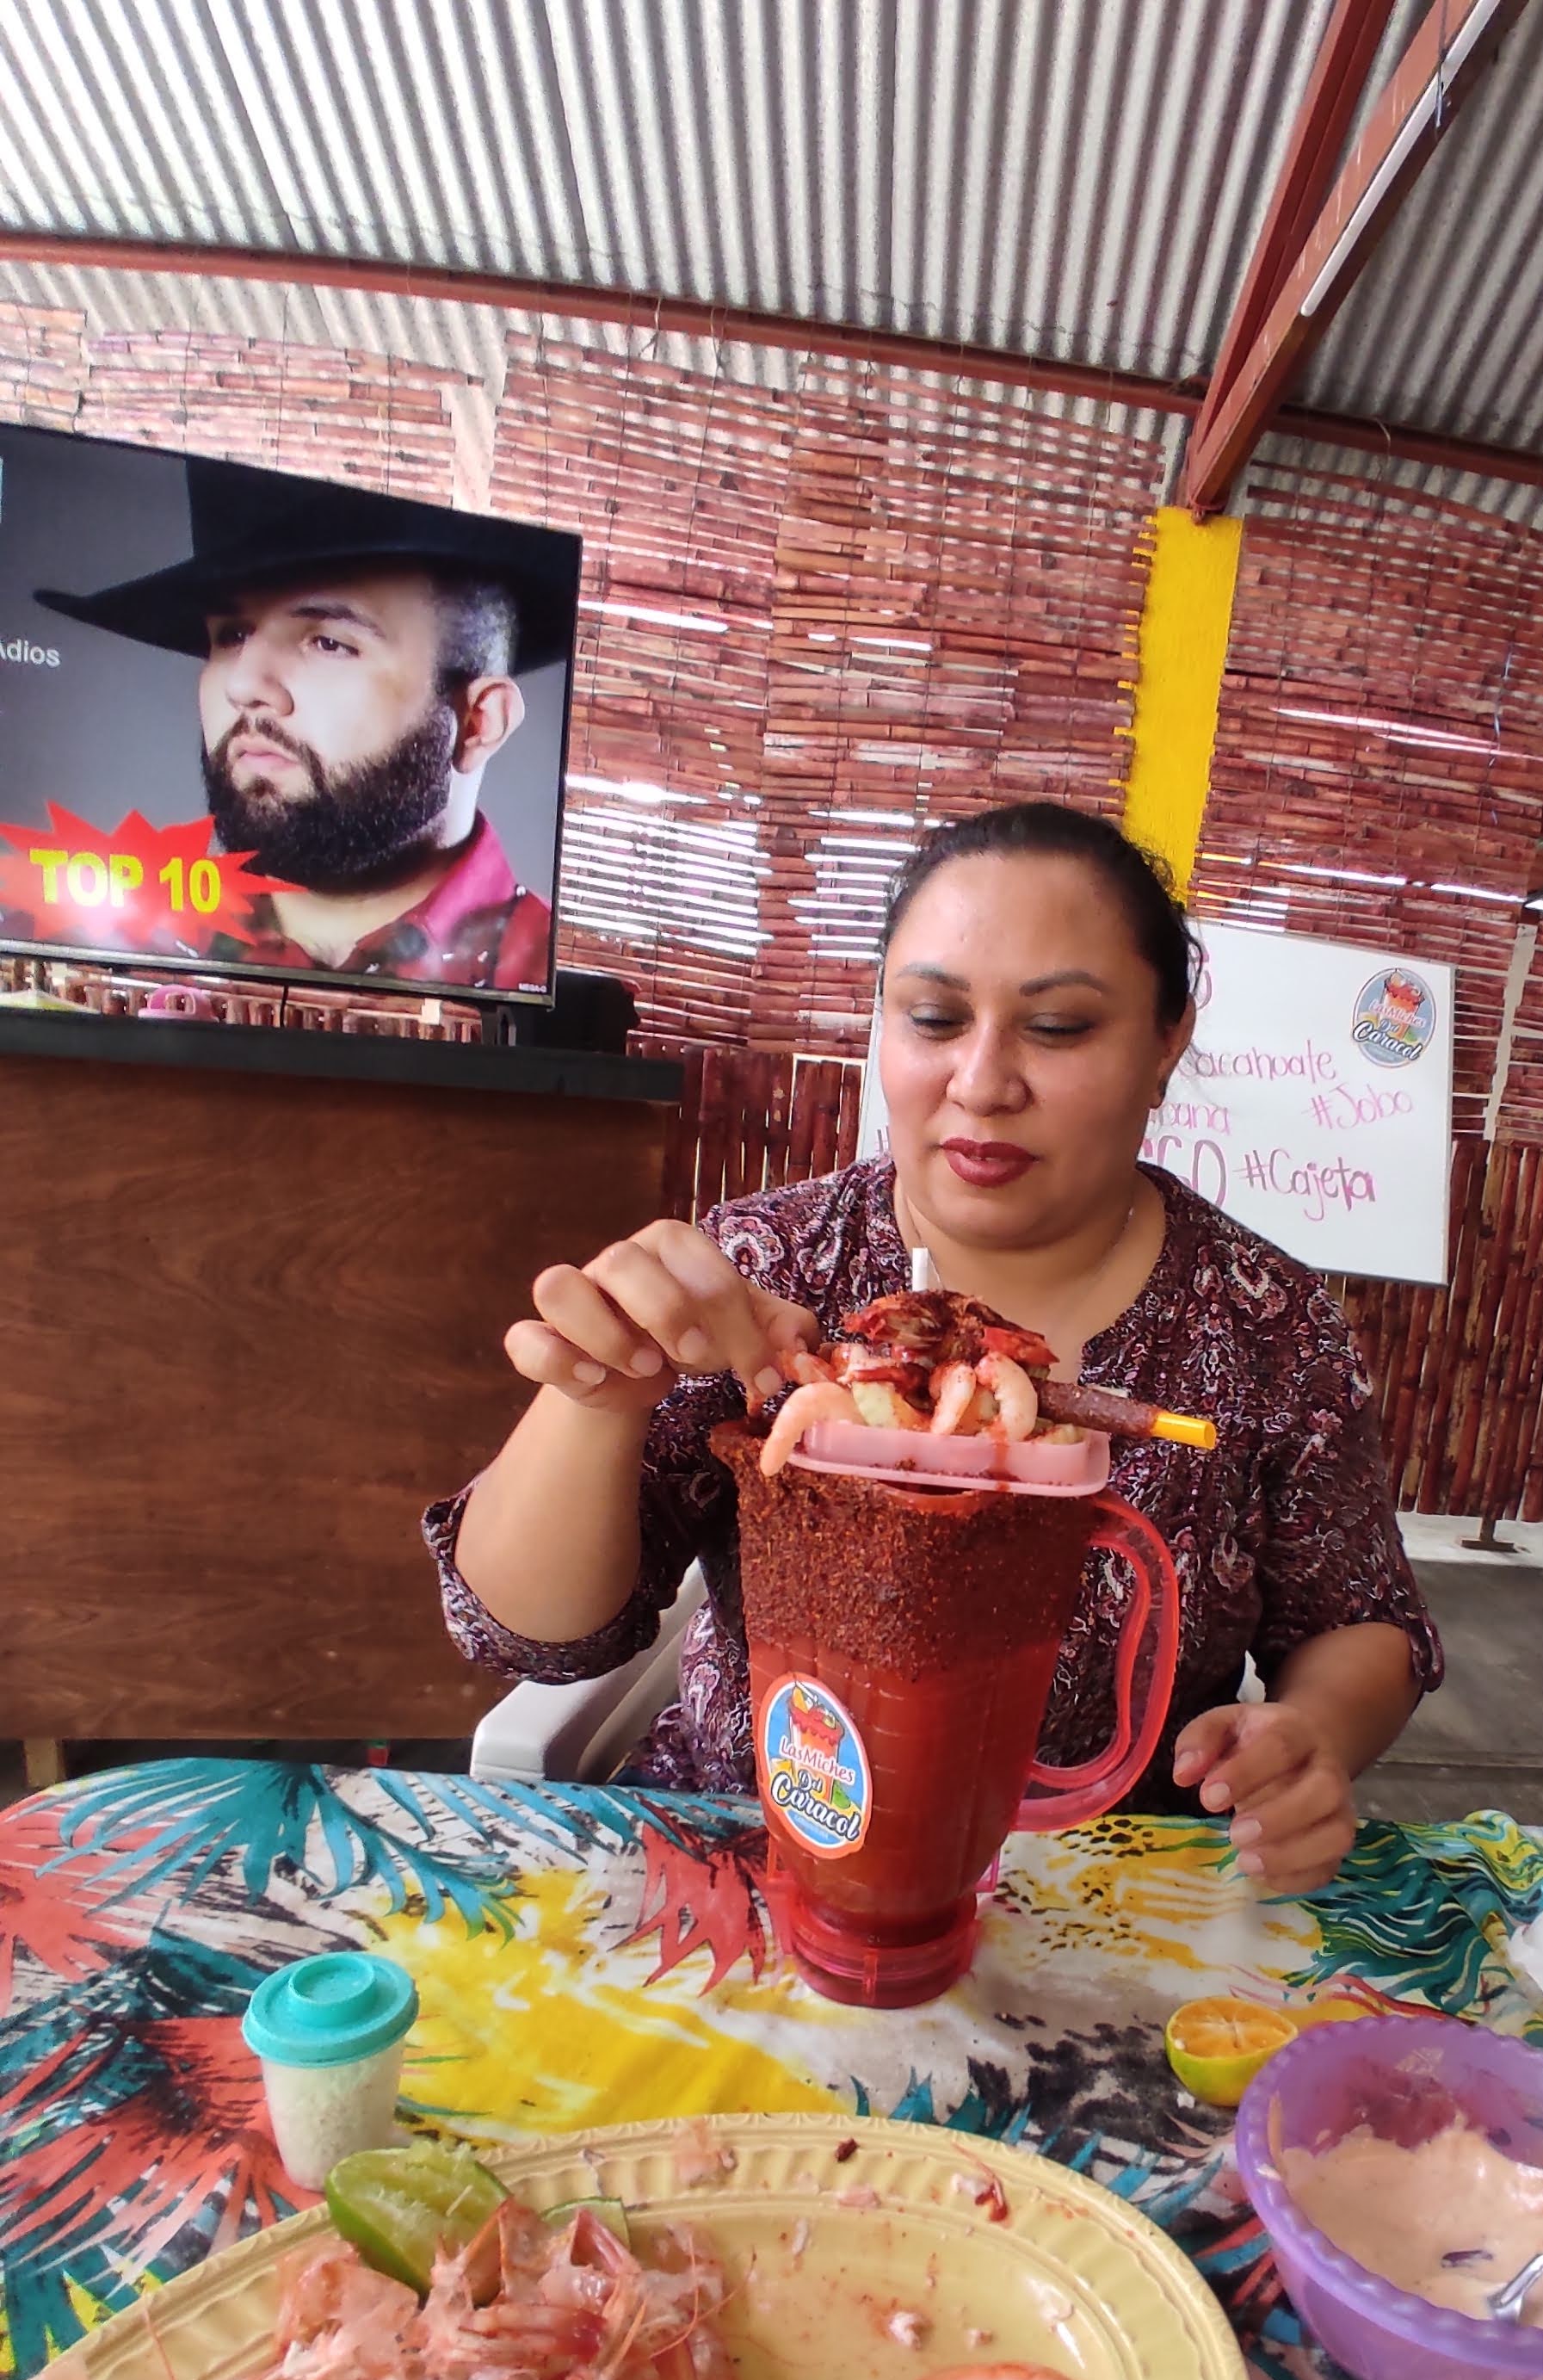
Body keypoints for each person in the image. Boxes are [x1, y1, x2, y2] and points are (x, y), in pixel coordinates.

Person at [428, 803, 1442, 1894]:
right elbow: (532, 1639)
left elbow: (1356, 1621)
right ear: (880, 1022)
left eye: (1058, 1029)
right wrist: (600, 1397)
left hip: (1110, 1890)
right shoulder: (772, 1269)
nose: (983, 1081)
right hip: (760, 1861)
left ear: (1167, 1043)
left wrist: (1311, 1738)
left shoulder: (1265, 1321)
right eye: (933, 1017)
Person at [35, 457, 577, 989]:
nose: (243, 685)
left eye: (329, 643)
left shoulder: (547, 1001)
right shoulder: (107, 963)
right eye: (231, 636)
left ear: (480, 722)